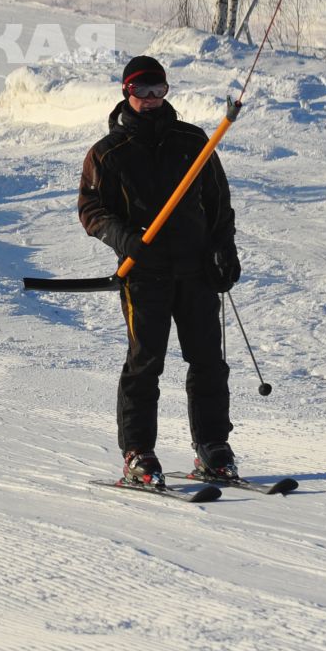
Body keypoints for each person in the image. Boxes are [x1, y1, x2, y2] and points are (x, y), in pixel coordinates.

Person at [78, 55, 241, 488]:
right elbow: (91, 210)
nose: (151, 100)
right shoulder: (107, 153)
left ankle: (213, 448)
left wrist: (224, 250)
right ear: (126, 93)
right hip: (144, 274)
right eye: (142, 91)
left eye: (158, 90)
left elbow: (219, 204)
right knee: (145, 363)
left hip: (196, 271)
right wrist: (124, 238)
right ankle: (138, 453)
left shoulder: (193, 142)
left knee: (208, 361)